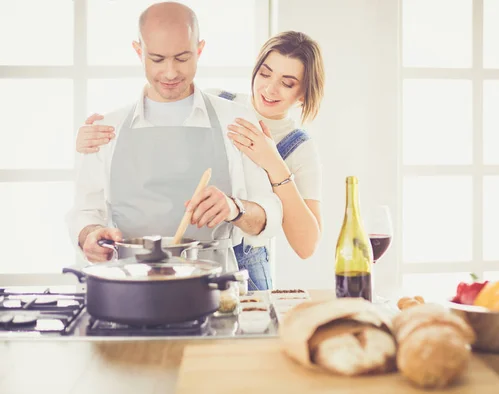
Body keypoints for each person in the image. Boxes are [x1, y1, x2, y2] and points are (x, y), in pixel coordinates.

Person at [66, 2, 283, 291]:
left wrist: (235, 208)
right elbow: (85, 212)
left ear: (200, 49)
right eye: (157, 59)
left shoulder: (237, 120)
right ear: (138, 51)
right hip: (130, 290)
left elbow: (268, 218)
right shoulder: (106, 129)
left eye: (182, 58)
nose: (170, 73)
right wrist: (89, 235)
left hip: (215, 291)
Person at [76, 30, 326, 261]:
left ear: (303, 93)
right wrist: (98, 137)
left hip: (244, 264)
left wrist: (273, 163)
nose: (270, 88)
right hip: (186, 256)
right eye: (265, 73)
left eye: (287, 83)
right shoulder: (216, 105)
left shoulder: (299, 148)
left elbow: (306, 246)